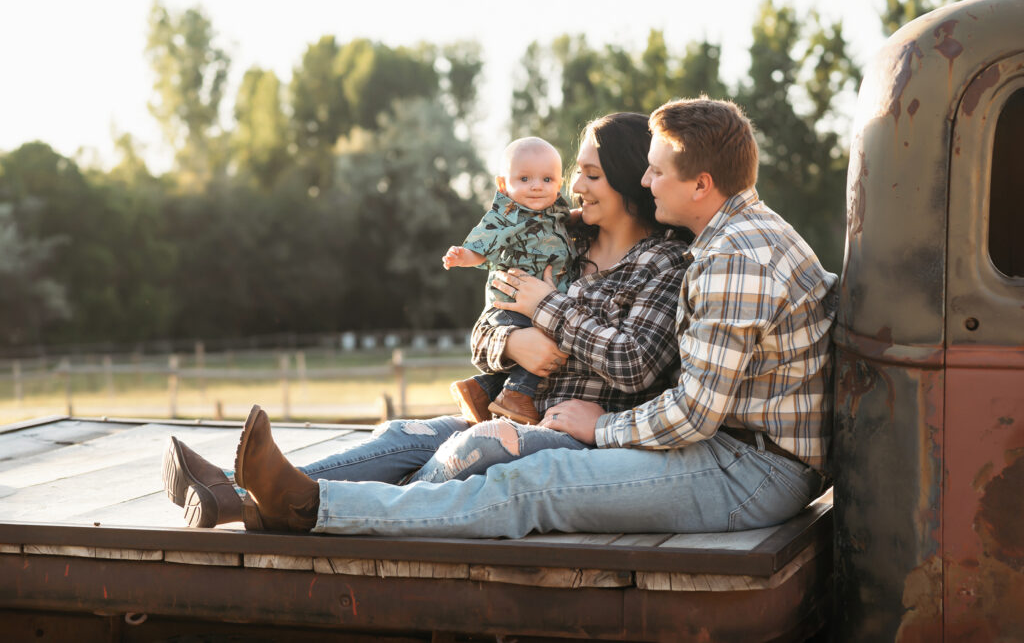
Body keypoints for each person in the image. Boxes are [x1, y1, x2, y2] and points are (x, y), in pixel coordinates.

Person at [163, 112, 691, 530]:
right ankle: (232, 494)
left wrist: (545, 307)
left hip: (574, 430)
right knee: (404, 435)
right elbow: (485, 328)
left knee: (473, 447)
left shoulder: (664, 263)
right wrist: (513, 344)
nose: (575, 184)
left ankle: (302, 506)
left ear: (627, 180)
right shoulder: (555, 238)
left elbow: (636, 364)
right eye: (576, 171)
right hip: (514, 405)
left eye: (591, 174)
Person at [443, 136, 574, 425]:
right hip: (513, 303)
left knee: (549, 336)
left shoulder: (559, 213)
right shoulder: (504, 215)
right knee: (545, 342)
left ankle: (480, 390)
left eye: (547, 179)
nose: (537, 185)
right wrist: (463, 255)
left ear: (560, 184)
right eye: (524, 178)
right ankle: (516, 396)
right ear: (503, 185)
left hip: (538, 301)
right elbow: (482, 246)